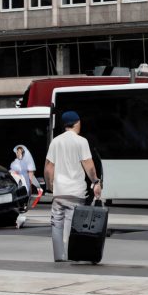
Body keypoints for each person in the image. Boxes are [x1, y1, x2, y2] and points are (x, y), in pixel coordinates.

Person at [44, 111, 102, 262]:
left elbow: (48, 168)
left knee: (56, 223)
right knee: (71, 224)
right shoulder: (81, 141)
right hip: (75, 192)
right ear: (77, 123)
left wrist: (50, 185)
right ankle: (69, 255)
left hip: (59, 191)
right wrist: (96, 181)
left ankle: (58, 256)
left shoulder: (55, 141)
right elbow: (88, 165)